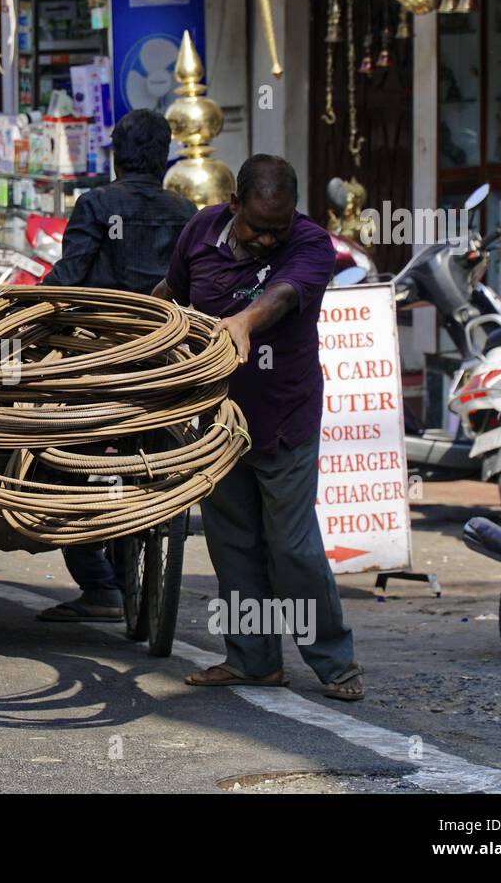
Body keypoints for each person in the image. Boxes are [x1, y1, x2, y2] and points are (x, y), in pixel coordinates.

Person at [153, 154, 363, 701]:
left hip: (284, 417)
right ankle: (253, 658)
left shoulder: (312, 244)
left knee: (292, 546)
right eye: (258, 227)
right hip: (217, 418)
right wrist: (138, 332)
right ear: (233, 204)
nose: (270, 240)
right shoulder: (200, 229)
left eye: (280, 227)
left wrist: (243, 322)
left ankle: (335, 662)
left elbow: (287, 292)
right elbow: (172, 293)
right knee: (232, 543)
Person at [33, 109, 198, 623]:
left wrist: (19, 308)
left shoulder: (97, 204)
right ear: (165, 155)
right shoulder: (186, 211)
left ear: (114, 155)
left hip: (98, 366)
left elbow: (69, 277)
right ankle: (125, 581)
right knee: (144, 468)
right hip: (162, 368)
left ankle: (99, 582)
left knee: (57, 461)